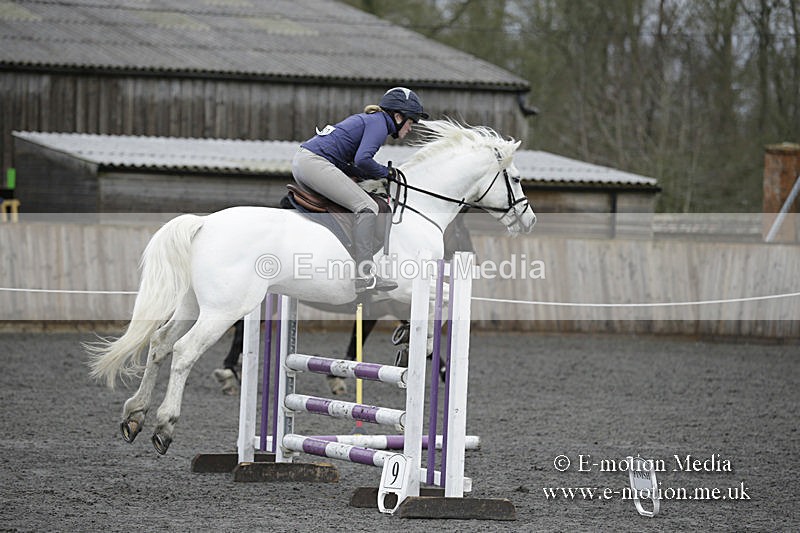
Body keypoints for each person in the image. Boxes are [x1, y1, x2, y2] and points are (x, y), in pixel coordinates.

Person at [292, 87, 429, 293]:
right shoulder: (379, 124)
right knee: (367, 207)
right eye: (411, 122)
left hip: (306, 162)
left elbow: (353, 164)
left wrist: (371, 174)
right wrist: (386, 172)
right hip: (314, 163)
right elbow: (363, 159)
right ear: (398, 116)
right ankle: (365, 274)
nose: (410, 128)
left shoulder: (372, 120)